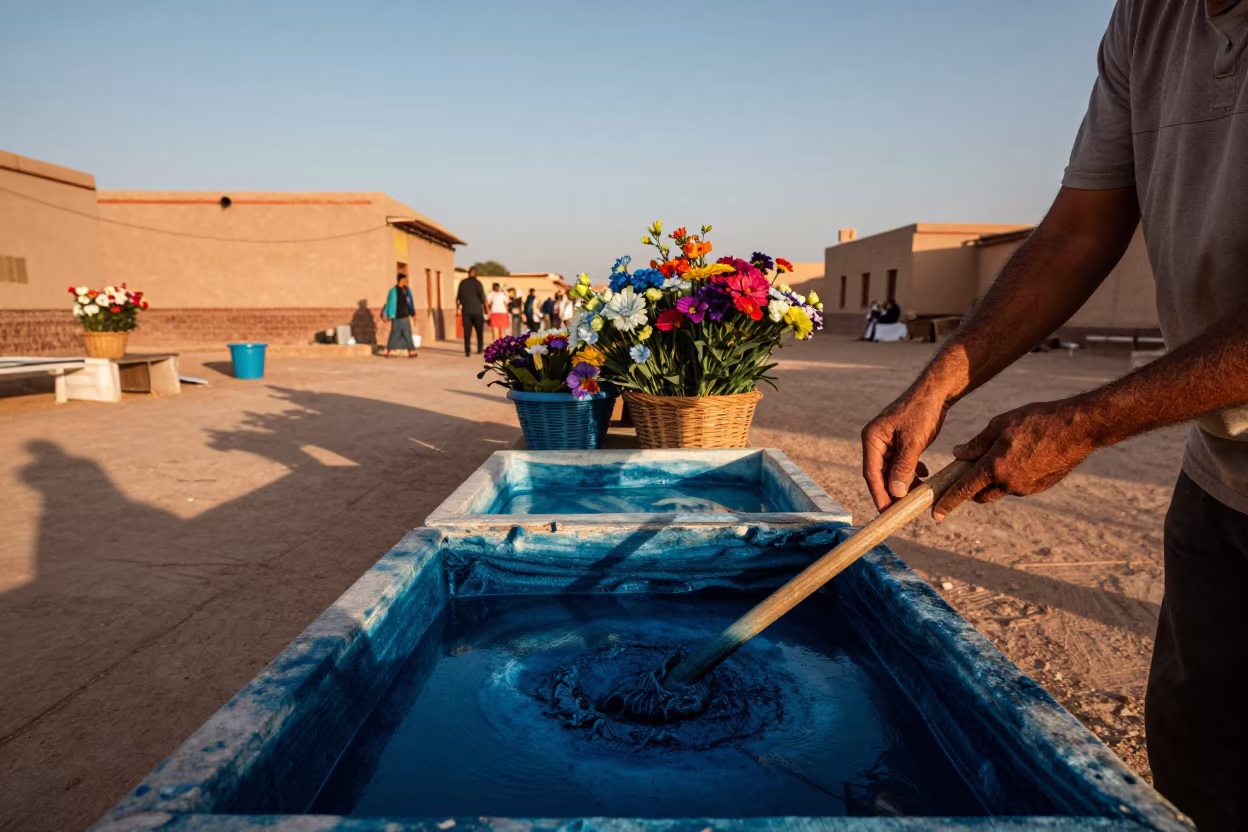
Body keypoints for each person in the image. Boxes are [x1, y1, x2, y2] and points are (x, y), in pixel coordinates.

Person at [861, 3, 1248, 827]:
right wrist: (941, 382)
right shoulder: (1151, 17)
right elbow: (1079, 229)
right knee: (1200, 765)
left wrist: (1086, 422)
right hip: (1222, 480)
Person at [381, 274, 417, 358]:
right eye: (404, 280)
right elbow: (389, 303)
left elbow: (410, 303)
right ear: (400, 280)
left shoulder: (407, 290)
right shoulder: (393, 291)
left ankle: (411, 351)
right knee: (394, 334)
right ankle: (389, 351)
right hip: (396, 315)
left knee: (407, 334)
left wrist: (413, 313)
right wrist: (387, 314)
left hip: (405, 315)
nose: (405, 282)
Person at [456, 266, 487, 358]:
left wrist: (458, 308)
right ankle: (479, 349)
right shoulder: (478, 283)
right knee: (479, 331)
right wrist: (486, 311)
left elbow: (458, 297)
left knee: (467, 332)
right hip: (477, 311)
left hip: (466, 311)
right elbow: (482, 298)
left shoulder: (462, 283)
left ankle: (467, 351)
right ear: (475, 273)